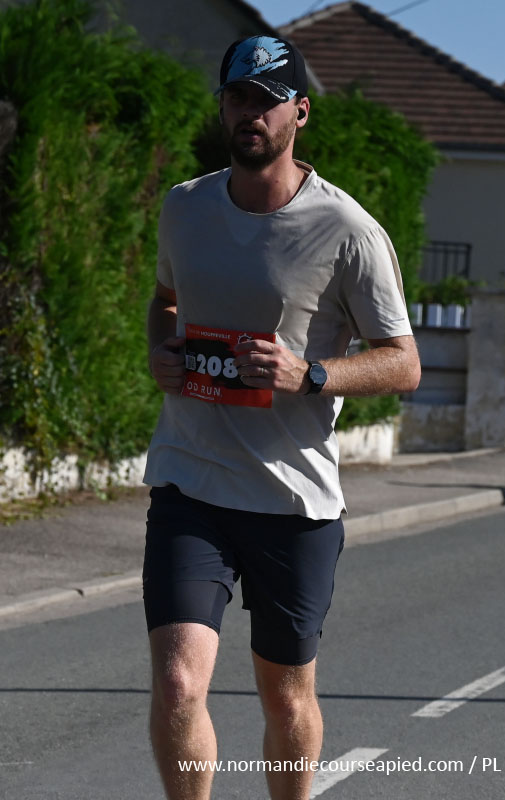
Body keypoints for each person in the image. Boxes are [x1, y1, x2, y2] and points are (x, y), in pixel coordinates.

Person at [143, 34, 420, 800]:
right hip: (191, 485)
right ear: (222, 107)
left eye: (267, 101)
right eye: (238, 98)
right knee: (177, 685)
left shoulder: (347, 230)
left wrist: (312, 374)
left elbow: (403, 361)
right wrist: (161, 350)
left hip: (292, 502)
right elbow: (165, 302)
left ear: (299, 112)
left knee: (286, 698)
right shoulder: (186, 207)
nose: (250, 114)